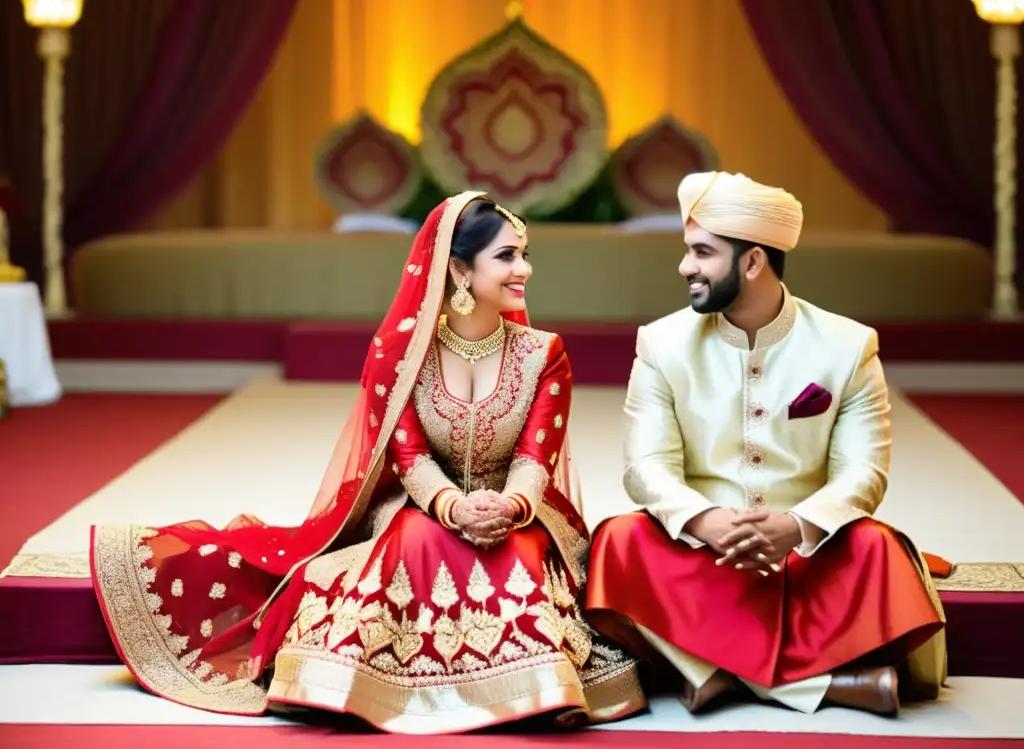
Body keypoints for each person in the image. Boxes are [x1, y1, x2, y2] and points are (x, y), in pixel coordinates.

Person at [90, 192, 647, 733]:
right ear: (457, 270)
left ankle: (528, 689)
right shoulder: (401, 357)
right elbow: (409, 456)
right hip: (424, 504)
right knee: (416, 543)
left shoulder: (542, 354)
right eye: (506, 256)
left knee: (514, 559)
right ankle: (381, 685)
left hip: (518, 513)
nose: (523, 269)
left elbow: (535, 458)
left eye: (525, 255)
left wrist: (509, 505)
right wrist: (453, 508)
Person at [584, 171, 946, 717]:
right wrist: (705, 521)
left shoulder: (847, 346)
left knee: (878, 550)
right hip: (700, 552)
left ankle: (709, 674)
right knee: (618, 541)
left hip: (808, 554)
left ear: (752, 261)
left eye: (702, 253)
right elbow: (646, 467)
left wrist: (796, 526)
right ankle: (830, 686)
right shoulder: (661, 343)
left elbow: (864, 471)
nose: (686, 267)